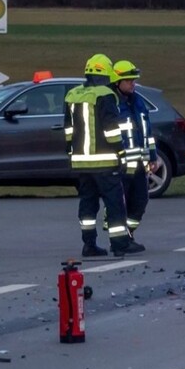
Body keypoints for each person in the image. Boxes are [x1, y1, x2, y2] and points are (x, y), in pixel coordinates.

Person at [65, 54, 142, 257]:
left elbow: (68, 130)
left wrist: (70, 152)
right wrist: (121, 152)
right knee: (115, 203)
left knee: (88, 204)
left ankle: (89, 245)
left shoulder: (72, 95)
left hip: (81, 162)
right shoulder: (105, 95)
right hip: (105, 161)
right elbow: (111, 130)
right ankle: (119, 244)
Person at [112, 60, 156, 241]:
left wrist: (152, 156)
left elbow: (148, 132)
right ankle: (119, 238)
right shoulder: (111, 103)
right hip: (121, 164)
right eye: (129, 80)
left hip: (140, 163)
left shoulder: (138, 101)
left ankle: (128, 233)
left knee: (140, 201)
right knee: (118, 203)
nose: (133, 83)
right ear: (117, 82)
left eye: (134, 80)